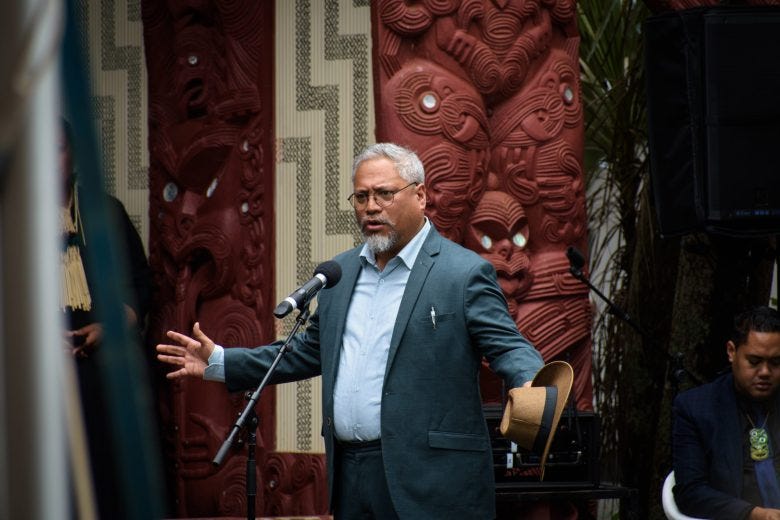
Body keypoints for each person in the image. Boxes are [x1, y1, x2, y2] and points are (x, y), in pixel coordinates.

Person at [156, 142, 545, 519]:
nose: (371, 207)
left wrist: (530, 382)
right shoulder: (338, 274)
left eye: (384, 194)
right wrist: (220, 361)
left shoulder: (462, 273)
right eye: (361, 197)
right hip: (351, 476)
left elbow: (508, 347)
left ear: (420, 196)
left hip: (432, 479)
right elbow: (306, 351)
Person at [60, 118, 152, 518]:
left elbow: (141, 285)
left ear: (74, 156)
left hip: (105, 368)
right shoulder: (17, 222)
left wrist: (109, 327)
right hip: (44, 373)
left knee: (109, 479)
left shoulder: (105, 213)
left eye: (58, 149)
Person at [673, 306, 780, 520]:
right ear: (732, 352)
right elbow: (690, 492)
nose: (765, 372)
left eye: (776, 363)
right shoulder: (696, 408)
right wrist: (753, 514)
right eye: (754, 361)